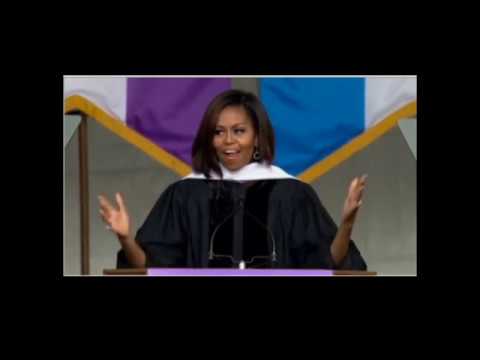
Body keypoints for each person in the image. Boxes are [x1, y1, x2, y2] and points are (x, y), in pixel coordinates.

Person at [98, 89, 367, 270]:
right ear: (209, 138)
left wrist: (346, 224)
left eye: (239, 131)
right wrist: (126, 238)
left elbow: (328, 264)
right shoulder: (186, 194)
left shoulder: (291, 194)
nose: (228, 141)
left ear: (258, 137)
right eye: (219, 132)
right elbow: (150, 268)